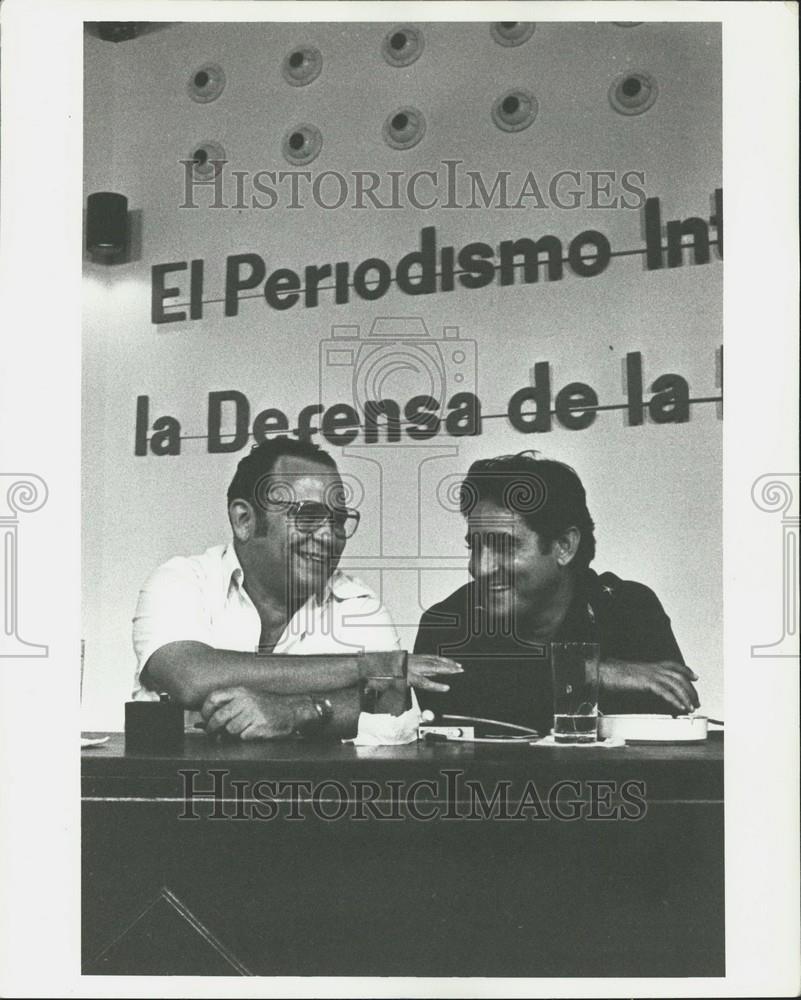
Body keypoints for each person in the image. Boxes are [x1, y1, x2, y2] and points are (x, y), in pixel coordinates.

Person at [132, 436, 460, 740]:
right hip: (180, 793)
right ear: (245, 520)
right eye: (308, 516)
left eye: (338, 521)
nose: (330, 536)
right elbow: (191, 676)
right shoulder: (182, 581)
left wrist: (300, 711)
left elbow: (392, 704)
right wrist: (363, 666)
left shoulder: (357, 602)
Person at [413, 451, 699, 735]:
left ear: (564, 546)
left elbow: (664, 733)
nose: (480, 566)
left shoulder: (628, 609)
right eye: (474, 546)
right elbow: (465, 705)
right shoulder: (447, 621)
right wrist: (592, 673)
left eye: (504, 546)